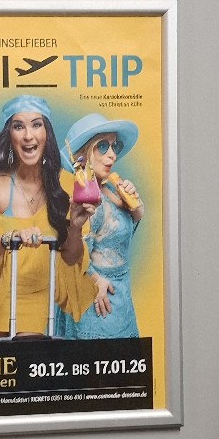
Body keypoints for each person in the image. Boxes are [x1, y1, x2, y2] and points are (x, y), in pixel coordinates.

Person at [0, 96, 95, 336]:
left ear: (47, 134)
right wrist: (12, 237)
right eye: (19, 126)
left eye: (36, 125)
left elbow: (71, 259)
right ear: (10, 136)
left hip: (36, 295)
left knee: (29, 349)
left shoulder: (68, 186)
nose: (28, 135)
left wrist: (76, 228)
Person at [58, 111, 144, 339]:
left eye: (115, 146)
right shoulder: (82, 198)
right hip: (99, 303)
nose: (112, 154)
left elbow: (117, 236)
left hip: (122, 297)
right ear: (83, 154)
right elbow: (70, 253)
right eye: (103, 146)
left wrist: (135, 208)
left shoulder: (110, 189)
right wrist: (95, 281)